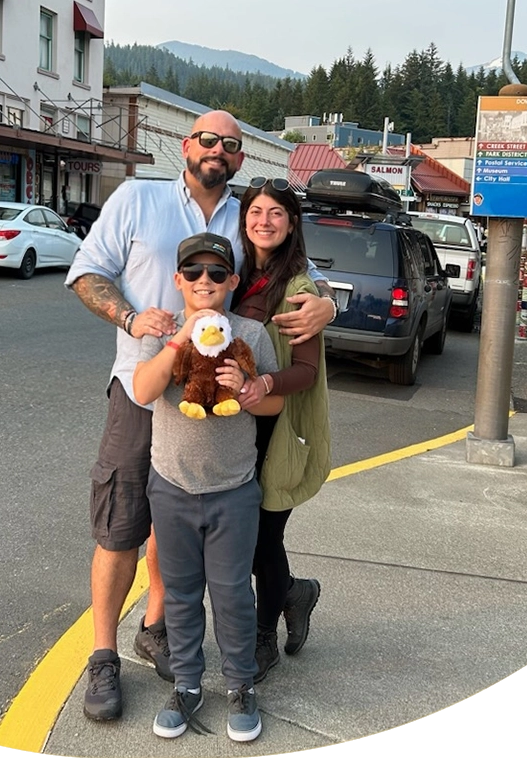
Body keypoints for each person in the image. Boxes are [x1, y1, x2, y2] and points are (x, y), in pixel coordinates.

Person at [64, 109, 339, 724]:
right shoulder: (138, 198)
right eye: (208, 139)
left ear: (241, 158)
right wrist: (135, 320)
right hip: (145, 387)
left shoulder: (247, 217)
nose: (218, 150)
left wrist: (326, 305)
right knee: (119, 524)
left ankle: (161, 630)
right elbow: (85, 274)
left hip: (228, 401)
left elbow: (299, 270)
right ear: (186, 145)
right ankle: (104, 656)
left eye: (231, 145)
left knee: (184, 515)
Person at [133, 233, 282, 742]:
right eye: (193, 273)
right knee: (179, 593)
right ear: (179, 281)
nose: (204, 282)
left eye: (217, 274)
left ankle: (240, 684)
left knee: (233, 594)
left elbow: (273, 406)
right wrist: (181, 337)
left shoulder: (251, 334)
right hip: (171, 485)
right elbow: (143, 390)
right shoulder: (163, 329)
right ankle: (188, 685)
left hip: (233, 488)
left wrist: (247, 386)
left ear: (232, 281)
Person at [228, 177, 331, 683]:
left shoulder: (298, 288)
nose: (263, 221)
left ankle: (263, 634)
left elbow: (306, 370)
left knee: (263, 539)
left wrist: (264, 379)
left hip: (279, 431)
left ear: (292, 224)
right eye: (255, 211)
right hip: (235, 433)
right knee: (247, 538)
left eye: (275, 213)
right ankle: (294, 592)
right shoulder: (237, 275)